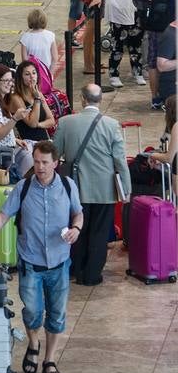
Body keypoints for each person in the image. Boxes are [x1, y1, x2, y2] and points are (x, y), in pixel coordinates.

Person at [0, 141, 83, 373]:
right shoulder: (23, 188)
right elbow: (4, 214)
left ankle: (49, 359)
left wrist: (77, 228)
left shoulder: (68, 186)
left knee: (56, 315)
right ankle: (33, 344)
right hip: (31, 262)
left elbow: (78, 212)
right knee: (33, 311)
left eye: (45, 162)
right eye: (36, 162)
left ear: (56, 163)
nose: (40, 167)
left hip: (59, 262)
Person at [54, 84, 130, 286]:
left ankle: (76, 269)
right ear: (100, 100)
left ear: (82, 99)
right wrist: (126, 189)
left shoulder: (65, 123)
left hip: (75, 188)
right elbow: (120, 161)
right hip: (104, 190)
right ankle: (92, 275)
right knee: (99, 232)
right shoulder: (112, 125)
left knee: (77, 228)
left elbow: (54, 155)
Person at [7, 62, 56, 143]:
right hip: (27, 144)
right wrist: (37, 99)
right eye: (27, 74)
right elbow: (32, 123)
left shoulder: (39, 94)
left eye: (34, 73)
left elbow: (51, 121)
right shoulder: (16, 98)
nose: (32, 76)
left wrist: (38, 125)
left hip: (44, 141)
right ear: (21, 78)